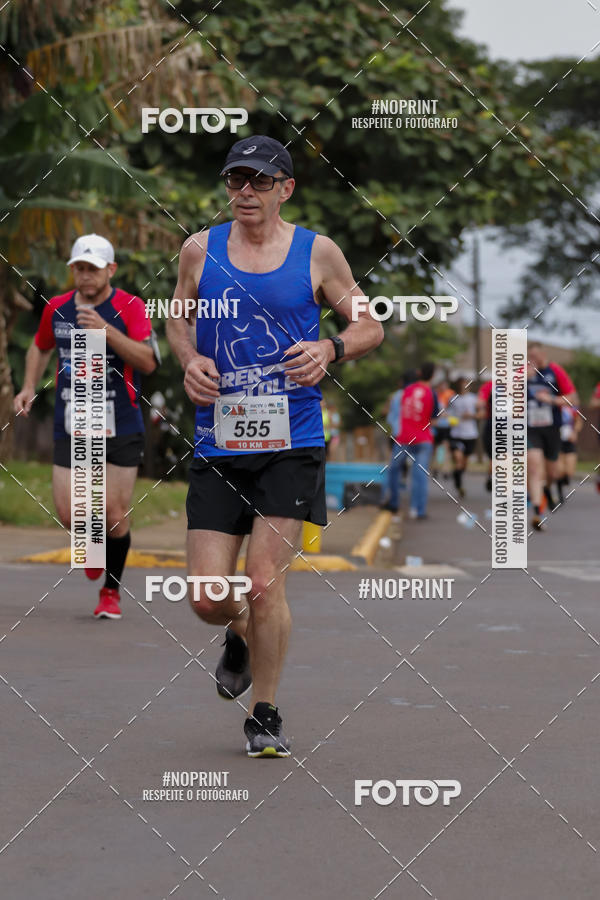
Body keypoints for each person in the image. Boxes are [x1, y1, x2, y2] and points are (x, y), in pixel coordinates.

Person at [166, 135, 383, 758]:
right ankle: (236, 634)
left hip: (293, 441)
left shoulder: (319, 253)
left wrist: (330, 348)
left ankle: (265, 711)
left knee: (263, 582)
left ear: (285, 189)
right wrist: (188, 360)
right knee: (209, 598)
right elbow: (177, 318)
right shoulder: (199, 250)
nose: (245, 192)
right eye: (236, 180)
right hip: (217, 440)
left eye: (260, 181)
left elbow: (371, 324)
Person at [13, 234, 158, 618]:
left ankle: (111, 592)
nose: (85, 276)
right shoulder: (57, 308)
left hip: (121, 423)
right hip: (74, 421)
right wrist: (29, 386)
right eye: (79, 268)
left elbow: (148, 361)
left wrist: (106, 330)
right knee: (68, 513)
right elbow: (41, 346)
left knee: (112, 512)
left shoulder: (130, 306)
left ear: (110, 270)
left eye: (93, 269)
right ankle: (92, 545)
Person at [526, 343, 576, 530]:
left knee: (553, 472)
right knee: (534, 467)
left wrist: (552, 400)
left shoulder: (555, 371)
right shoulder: (523, 372)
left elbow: (572, 397)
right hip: (530, 428)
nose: (533, 360)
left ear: (543, 354)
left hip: (552, 428)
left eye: (536, 356)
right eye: (530, 357)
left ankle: (547, 488)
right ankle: (538, 513)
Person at [394, 361, 440, 519]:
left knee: (393, 470)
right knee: (419, 475)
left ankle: (393, 504)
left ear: (420, 373)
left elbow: (401, 412)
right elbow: (433, 420)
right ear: (433, 376)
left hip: (404, 438)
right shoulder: (431, 393)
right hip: (423, 439)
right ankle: (418, 510)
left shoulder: (406, 390)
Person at [448, 377, 479, 499]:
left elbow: (481, 413)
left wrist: (471, 415)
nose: (464, 387)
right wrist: (451, 419)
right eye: (461, 385)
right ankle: (458, 484)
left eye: (466, 385)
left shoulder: (473, 399)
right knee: (458, 458)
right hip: (456, 434)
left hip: (470, 434)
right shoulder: (453, 399)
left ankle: (458, 477)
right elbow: (447, 414)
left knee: (464, 463)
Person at [556, 404, 582, 504]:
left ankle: (565, 480)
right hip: (556, 440)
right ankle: (560, 493)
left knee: (569, 471)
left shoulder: (573, 408)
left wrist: (575, 432)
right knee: (559, 469)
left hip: (569, 440)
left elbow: (578, 421)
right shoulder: (554, 406)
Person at [432, 378, 453, 480]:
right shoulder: (435, 395)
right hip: (436, 426)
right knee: (437, 449)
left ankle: (445, 469)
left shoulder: (450, 395)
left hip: (446, 425)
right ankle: (436, 467)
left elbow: (454, 410)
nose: (443, 387)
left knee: (445, 447)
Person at [477, 378, 493, 492]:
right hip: (492, 425)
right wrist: (481, 407)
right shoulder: (490, 385)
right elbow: (481, 401)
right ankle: (492, 476)